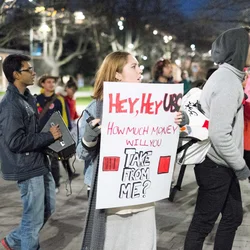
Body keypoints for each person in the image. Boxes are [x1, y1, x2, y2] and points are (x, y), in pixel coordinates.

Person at [77, 51, 187, 250]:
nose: (139, 71)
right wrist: (90, 136)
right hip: (109, 200)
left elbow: (165, 144)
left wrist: (178, 126)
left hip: (142, 194)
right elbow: (81, 153)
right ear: (117, 73)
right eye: (133, 66)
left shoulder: (153, 105)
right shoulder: (96, 108)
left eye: (139, 66)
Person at [184, 27, 250, 250]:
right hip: (217, 165)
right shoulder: (228, 82)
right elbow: (219, 133)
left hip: (219, 164)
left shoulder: (226, 76)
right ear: (239, 48)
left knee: (232, 217)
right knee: (203, 224)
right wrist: (240, 166)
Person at [0, 54, 62, 250]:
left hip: (39, 163)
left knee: (47, 209)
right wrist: (49, 137)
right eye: (29, 69)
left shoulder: (26, 97)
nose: (34, 72)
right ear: (17, 74)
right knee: (32, 220)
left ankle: (11, 241)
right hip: (27, 168)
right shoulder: (10, 104)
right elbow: (15, 141)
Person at [36, 74, 74, 193]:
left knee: (54, 162)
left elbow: (65, 119)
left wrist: (65, 134)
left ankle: (55, 184)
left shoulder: (59, 100)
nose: (51, 84)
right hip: (40, 136)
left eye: (53, 82)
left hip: (55, 136)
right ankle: (42, 184)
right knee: (40, 162)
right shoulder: (36, 99)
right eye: (48, 82)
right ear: (42, 84)